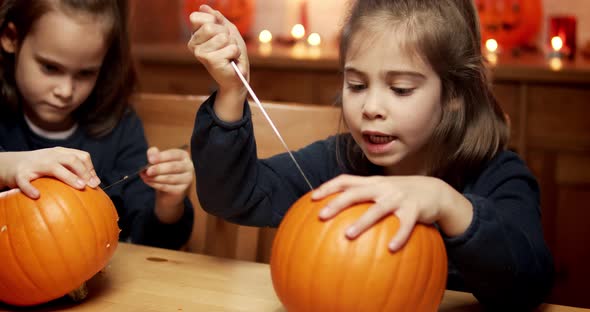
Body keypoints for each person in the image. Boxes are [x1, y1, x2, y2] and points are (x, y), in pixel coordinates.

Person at [187, 0, 554, 309]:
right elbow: (230, 196)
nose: (372, 107)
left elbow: (530, 283)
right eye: (357, 85)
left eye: (401, 88)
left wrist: (447, 203)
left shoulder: (499, 174)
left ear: (455, 94)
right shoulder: (337, 163)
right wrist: (232, 92)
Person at [0, 0, 194, 250]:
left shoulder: (120, 127)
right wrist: (8, 165)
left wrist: (169, 205)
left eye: (85, 73)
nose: (65, 91)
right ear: (10, 38)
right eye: (50, 68)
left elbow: (152, 244)